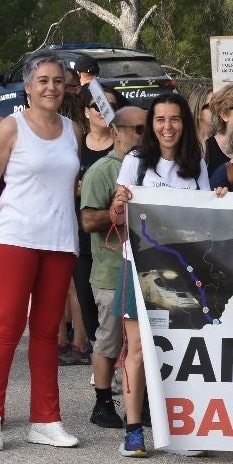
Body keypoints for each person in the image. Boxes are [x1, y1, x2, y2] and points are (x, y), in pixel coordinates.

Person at [0, 53, 81, 451]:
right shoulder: (11, 127)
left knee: (46, 333)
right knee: (5, 330)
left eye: (58, 80)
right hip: (15, 239)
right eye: (43, 81)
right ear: (28, 87)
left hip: (60, 242)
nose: (51, 87)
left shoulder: (73, 129)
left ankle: (46, 419)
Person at [109, 92, 210, 457]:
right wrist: (119, 205)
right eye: (160, 120)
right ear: (151, 125)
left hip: (182, 268)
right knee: (136, 349)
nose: (168, 127)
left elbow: (201, 214)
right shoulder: (136, 161)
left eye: (175, 119)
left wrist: (219, 197)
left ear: (185, 123)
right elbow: (117, 211)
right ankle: (133, 429)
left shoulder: (196, 162)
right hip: (140, 266)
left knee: (182, 348)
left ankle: (183, 429)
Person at [79, 105, 147, 431]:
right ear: (118, 132)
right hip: (110, 271)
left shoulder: (152, 167)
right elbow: (88, 219)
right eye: (137, 129)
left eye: (145, 128)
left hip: (143, 269)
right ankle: (103, 402)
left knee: (139, 342)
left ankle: (140, 405)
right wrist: (118, 212)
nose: (143, 135)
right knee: (109, 339)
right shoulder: (102, 171)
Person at [66, 85, 123, 364]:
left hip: (113, 243)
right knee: (88, 307)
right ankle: (99, 355)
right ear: (86, 112)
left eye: (109, 106)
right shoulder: (75, 142)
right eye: (97, 106)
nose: (103, 111)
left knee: (113, 310)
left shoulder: (124, 149)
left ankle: (112, 369)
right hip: (81, 233)